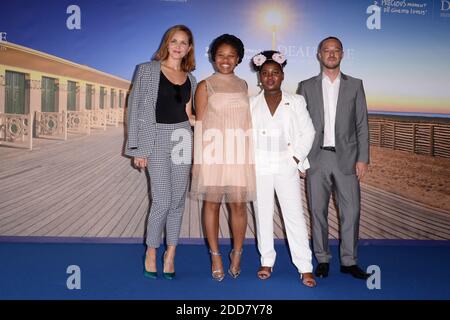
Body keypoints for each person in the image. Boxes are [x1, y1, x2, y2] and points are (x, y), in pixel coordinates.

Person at [125, 25, 197, 280]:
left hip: (181, 138)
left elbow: (189, 116)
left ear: (189, 48)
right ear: (167, 43)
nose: (178, 46)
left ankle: (171, 254)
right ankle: (152, 252)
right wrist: (138, 148)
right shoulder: (146, 70)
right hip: (154, 138)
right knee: (162, 200)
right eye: (174, 41)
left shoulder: (191, 78)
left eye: (184, 42)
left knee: (177, 201)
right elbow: (134, 111)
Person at [297, 36, 370, 280]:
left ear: (342, 54)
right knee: (317, 211)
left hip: (347, 159)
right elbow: (300, 125)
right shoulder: (305, 86)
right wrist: (301, 158)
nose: (331, 54)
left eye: (335, 50)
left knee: (351, 212)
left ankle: (349, 261)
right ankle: (323, 259)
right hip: (316, 158)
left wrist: (363, 158)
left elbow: (362, 124)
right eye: (326, 50)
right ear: (318, 54)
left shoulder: (355, 85)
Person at [191, 34, 256, 281]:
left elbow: (246, 122)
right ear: (213, 57)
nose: (225, 60)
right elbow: (200, 124)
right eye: (221, 55)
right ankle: (216, 254)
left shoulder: (243, 85)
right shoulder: (205, 85)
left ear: (238, 58)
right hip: (213, 153)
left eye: (231, 55)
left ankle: (237, 253)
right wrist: (198, 161)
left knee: (239, 205)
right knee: (212, 204)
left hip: (239, 153)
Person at [250, 50, 316, 287]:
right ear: (259, 77)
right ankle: (266, 260)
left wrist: (295, 157)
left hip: (286, 165)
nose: (270, 77)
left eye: (275, 73)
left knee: (294, 216)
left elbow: (308, 131)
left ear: (282, 76)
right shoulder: (251, 103)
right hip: (259, 167)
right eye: (265, 73)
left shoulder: (296, 101)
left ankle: (305, 266)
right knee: (263, 215)